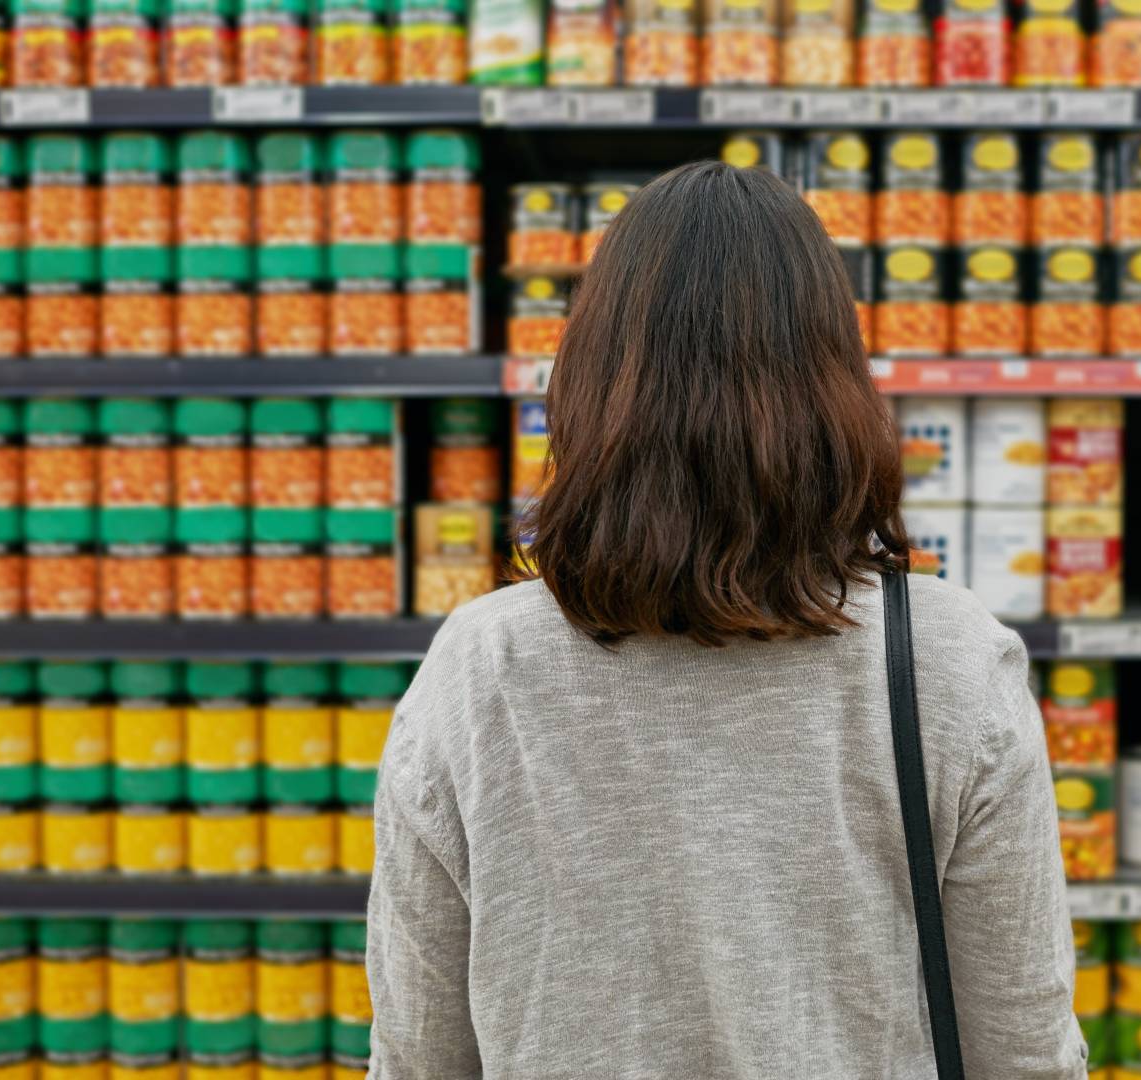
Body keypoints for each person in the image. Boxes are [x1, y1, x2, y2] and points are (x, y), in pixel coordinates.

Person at [366, 160, 1085, 1079]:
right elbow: (1025, 1053)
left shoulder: (482, 666)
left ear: (588, 383)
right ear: (837, 385)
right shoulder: (944, 660)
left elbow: (418, 1057)